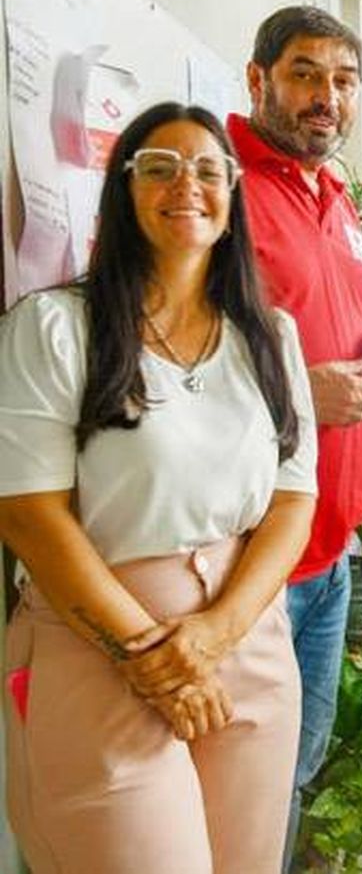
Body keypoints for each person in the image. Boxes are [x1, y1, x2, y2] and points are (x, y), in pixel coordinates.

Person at [0, 102, 317, 873]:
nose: (188, 185)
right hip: (98, 648)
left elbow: (291, 500)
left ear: (233, 193)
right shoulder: (54, 326)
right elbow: (29, 513)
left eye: (210, 169)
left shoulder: (268, 336)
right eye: (161, 167)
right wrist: (151, 655)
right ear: (124, 186)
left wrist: (215, 633)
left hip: (247, 646)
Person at [226, 4, 362, 864]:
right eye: (305, 74)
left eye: (343, 80)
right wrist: (306, 387)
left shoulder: (331, 194)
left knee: (292, 768)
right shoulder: (221, 186)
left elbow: (325, 323)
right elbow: (174, 354)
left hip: (327, 546)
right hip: (254, 553)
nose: (327, 97)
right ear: (258, 80)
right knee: (242, 777)